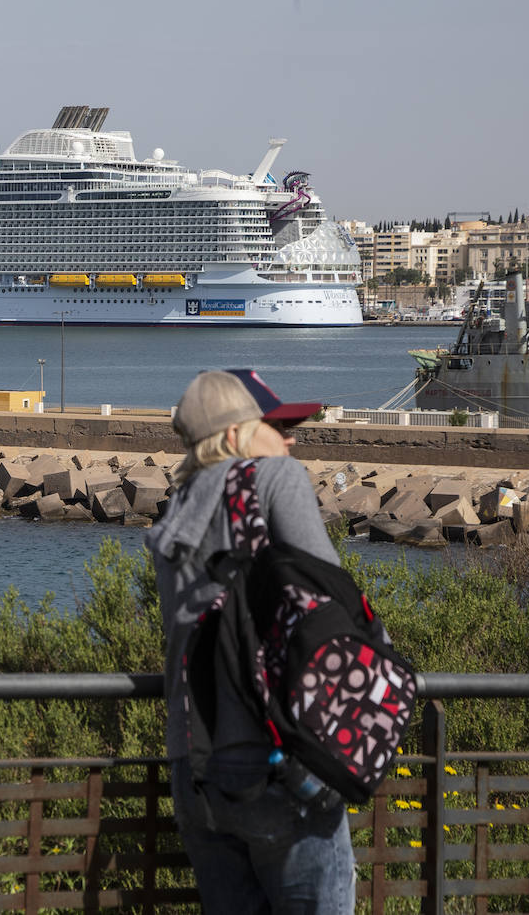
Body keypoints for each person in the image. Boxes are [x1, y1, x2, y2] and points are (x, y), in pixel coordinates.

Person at [145, 369, 353, 914]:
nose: (288, 438)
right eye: (272, 425)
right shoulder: (275, 479)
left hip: (197, 769)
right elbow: (333, 605)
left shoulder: (174, 512)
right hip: (280, 762)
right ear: (237, 433)